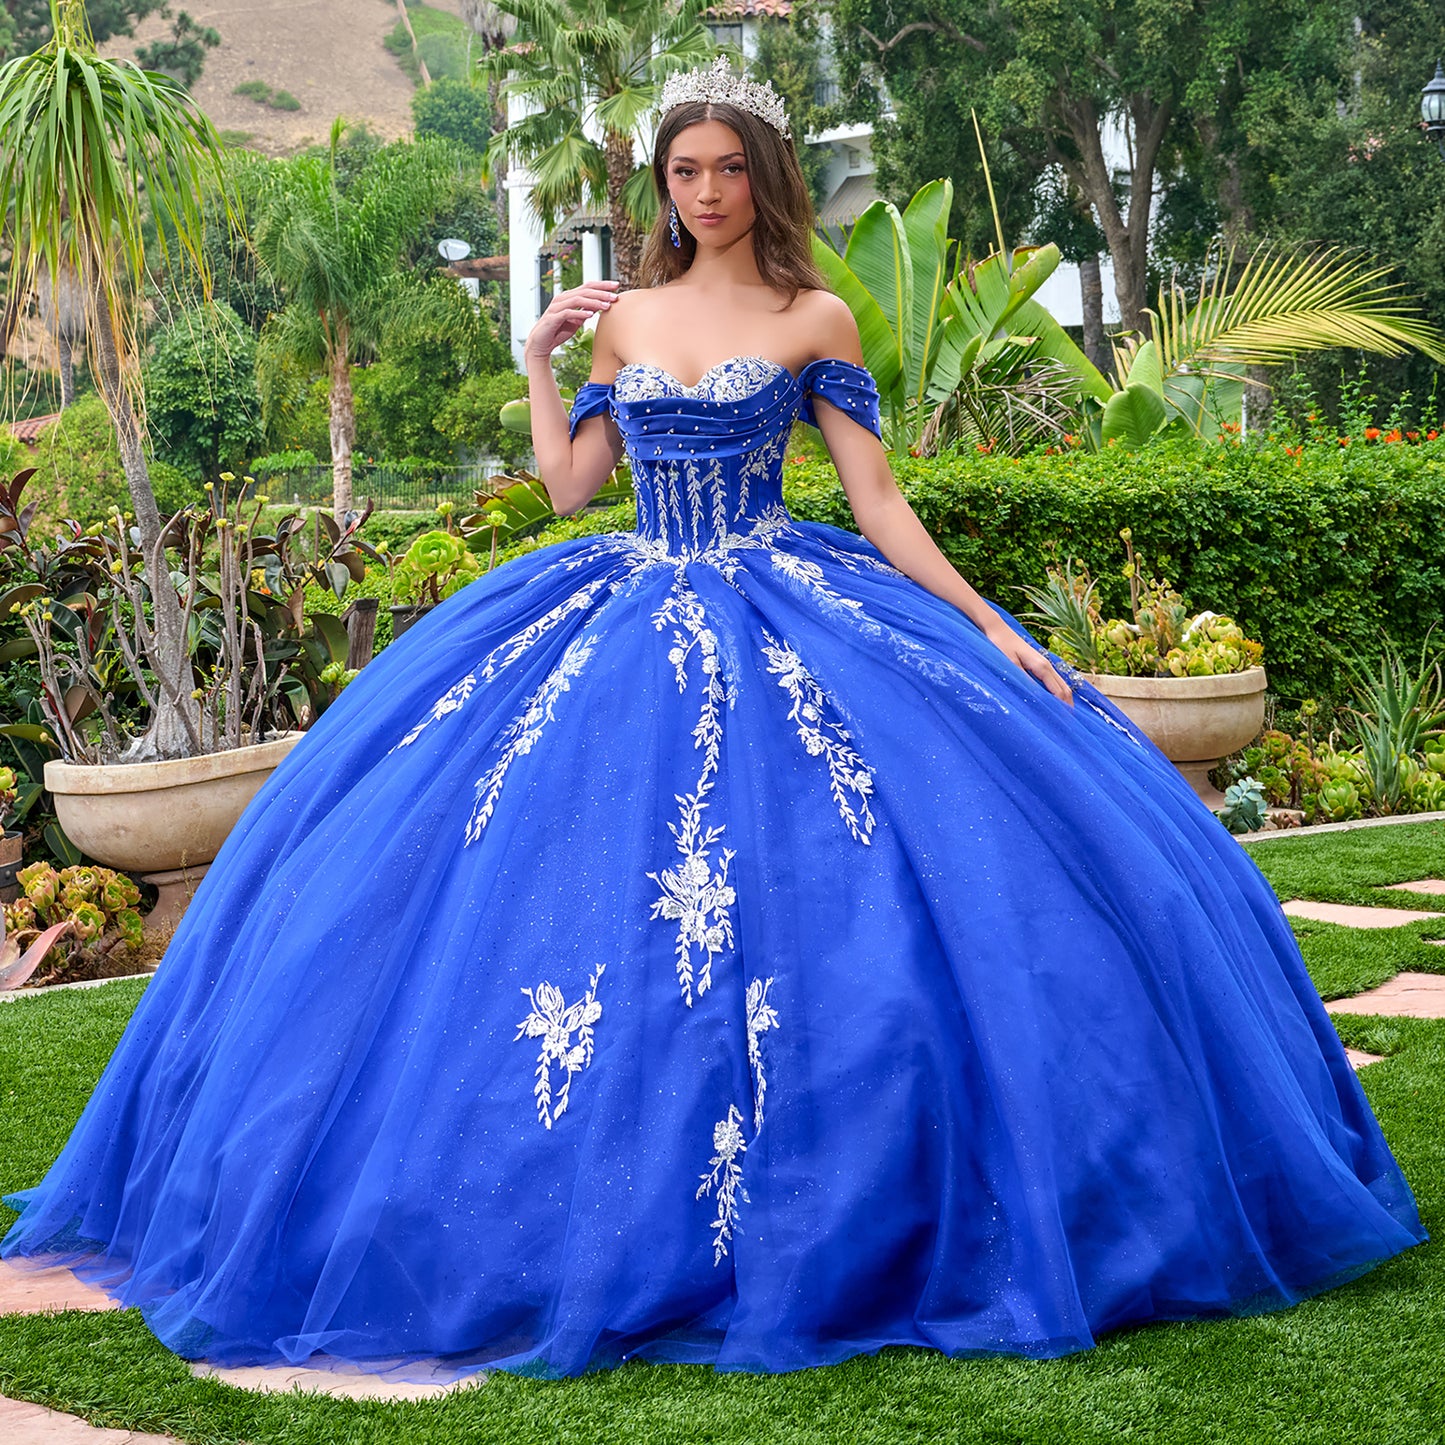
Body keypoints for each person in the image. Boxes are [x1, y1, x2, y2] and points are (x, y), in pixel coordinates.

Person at [1, 60, 1424, 1379]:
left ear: (764, 176)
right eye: (683, 170)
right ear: (663, 184)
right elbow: (569, 489)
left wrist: (990, 622)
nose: (704, 190)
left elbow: (877, 501)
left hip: (787, 595)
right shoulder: (625, 316)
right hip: (621, 602)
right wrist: (543, 356)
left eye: (727, 167)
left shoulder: (815, 317)